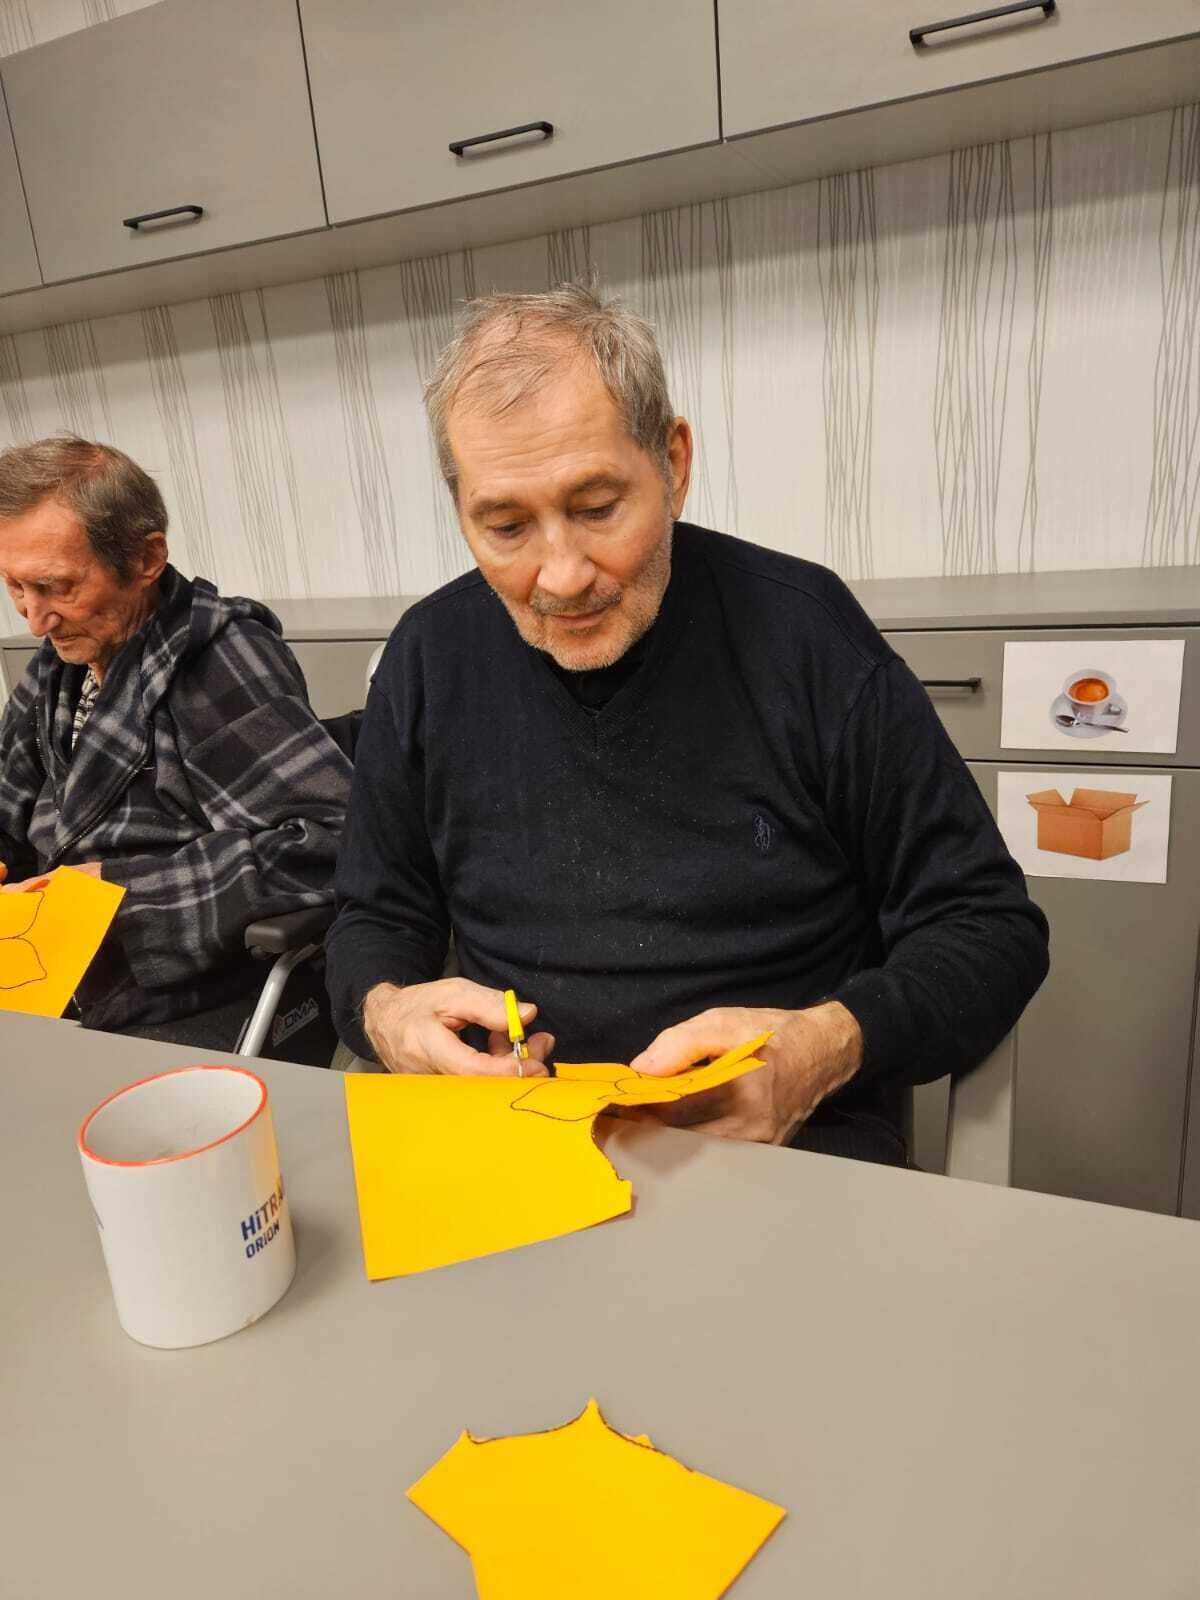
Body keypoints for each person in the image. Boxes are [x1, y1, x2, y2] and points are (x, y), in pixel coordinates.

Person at [325, 286, 1049, 1164]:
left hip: (779, 1146)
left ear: (673, 462)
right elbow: (373, 918)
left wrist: (824, 1048)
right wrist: (389, 1013)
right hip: (522, 1145)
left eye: (598, 509)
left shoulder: (807, 637)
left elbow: (989, 927)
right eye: (507, 526)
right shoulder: (428, 657)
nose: (561, 575)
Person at [0, 436, 351, 1048]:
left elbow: (335, 839)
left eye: (58, 587)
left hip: (174, 997)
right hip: (50, 969)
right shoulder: (63, 661)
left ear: (146, 559)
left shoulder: (218, 663)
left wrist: (117, 896)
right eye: (15, 586)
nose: (34, 619)